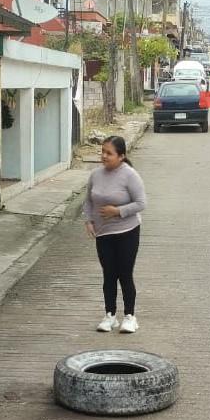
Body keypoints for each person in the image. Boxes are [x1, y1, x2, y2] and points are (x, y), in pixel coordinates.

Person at [84, 136, 147, 334]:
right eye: (102, 151)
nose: (104, 156)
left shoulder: (130, 175)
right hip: (103, 233)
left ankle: (130, 316)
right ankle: (110, 315)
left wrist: (117, 211)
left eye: (109, 153)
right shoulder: (95, 174)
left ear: (121, 156)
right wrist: (89, 221)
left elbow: (141, 203)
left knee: (124, 274)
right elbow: (88, 201)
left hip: (127, 231)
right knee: (108, 274)